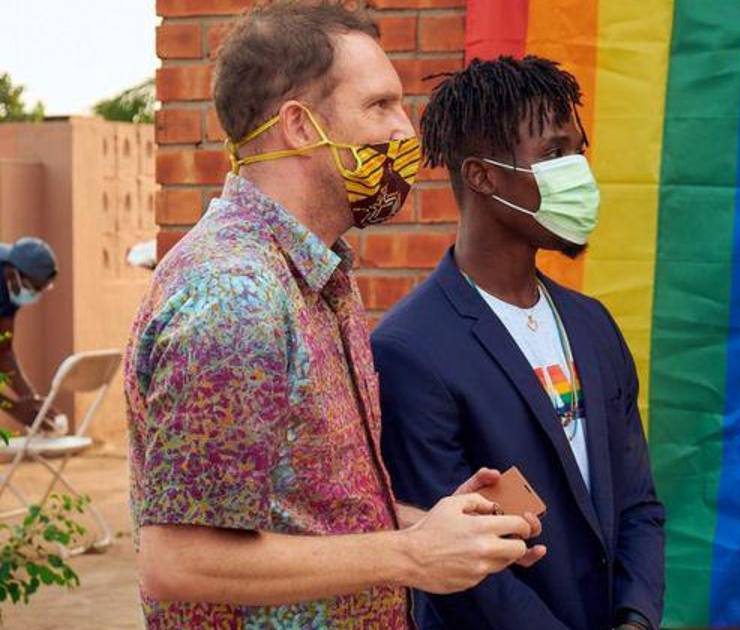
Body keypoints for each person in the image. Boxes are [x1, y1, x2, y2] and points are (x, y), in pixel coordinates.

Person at [124, 4, 543, 628]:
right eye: (380, 106)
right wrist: (409, 556)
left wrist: (433, 530)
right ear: (300, 125)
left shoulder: (317, 274)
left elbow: (303, 515)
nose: (405, 131)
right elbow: (180, 560)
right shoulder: (236, 297)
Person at [371, 56, 665, 630]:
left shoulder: (592, 324)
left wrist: (635, 617)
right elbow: (449, 560)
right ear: (483, 176)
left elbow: (637, 503)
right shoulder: (409, 349)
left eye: (578, 151)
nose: (577, 172)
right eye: (554, 154)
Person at [0, 237, 66, 434]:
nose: (35, 296)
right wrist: (13, 408)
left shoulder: (10, 288)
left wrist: (31, 401)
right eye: (33, 288)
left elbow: (3, 351)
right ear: (13, 274)